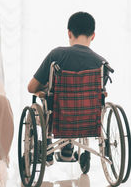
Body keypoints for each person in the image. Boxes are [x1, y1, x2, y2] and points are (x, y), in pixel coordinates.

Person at [27, 11, 107, 164]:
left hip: (59, 115)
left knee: (46, 97)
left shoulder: (57, 55)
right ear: (93, 35)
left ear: (69, 33)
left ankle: (49, 145)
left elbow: (31, 87)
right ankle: (67, 148)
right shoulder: (101, 62)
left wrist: (43, 88)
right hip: (89, 118)